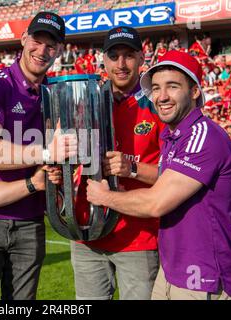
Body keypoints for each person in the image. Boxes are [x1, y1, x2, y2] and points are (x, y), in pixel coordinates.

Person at [86, 50, 231, 300]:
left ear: (195, 91)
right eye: (156, 88)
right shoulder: (174, 136)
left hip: (203, 274)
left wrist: (104, 197)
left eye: (172, 87)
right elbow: (163, 182)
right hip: (174, 269)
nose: (161, 96)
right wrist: (129, 170)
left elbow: (156, 203)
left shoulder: (203, 135)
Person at [0, 11, 74, 300]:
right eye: (37, 40)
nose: (42, 50)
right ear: (24, 40)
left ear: (60, 50)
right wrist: (46, 152)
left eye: (51, 45)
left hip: (31, 221)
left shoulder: (55, 92)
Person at [71, 26, 165, 300]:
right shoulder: (85, 101)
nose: (121, 64)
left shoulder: (160, 104)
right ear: (103, 59)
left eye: (129, 55)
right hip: (87, 234)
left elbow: (175, 176)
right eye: (114, 56)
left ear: (141, 57)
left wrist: (130, 167)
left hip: (139, 237)